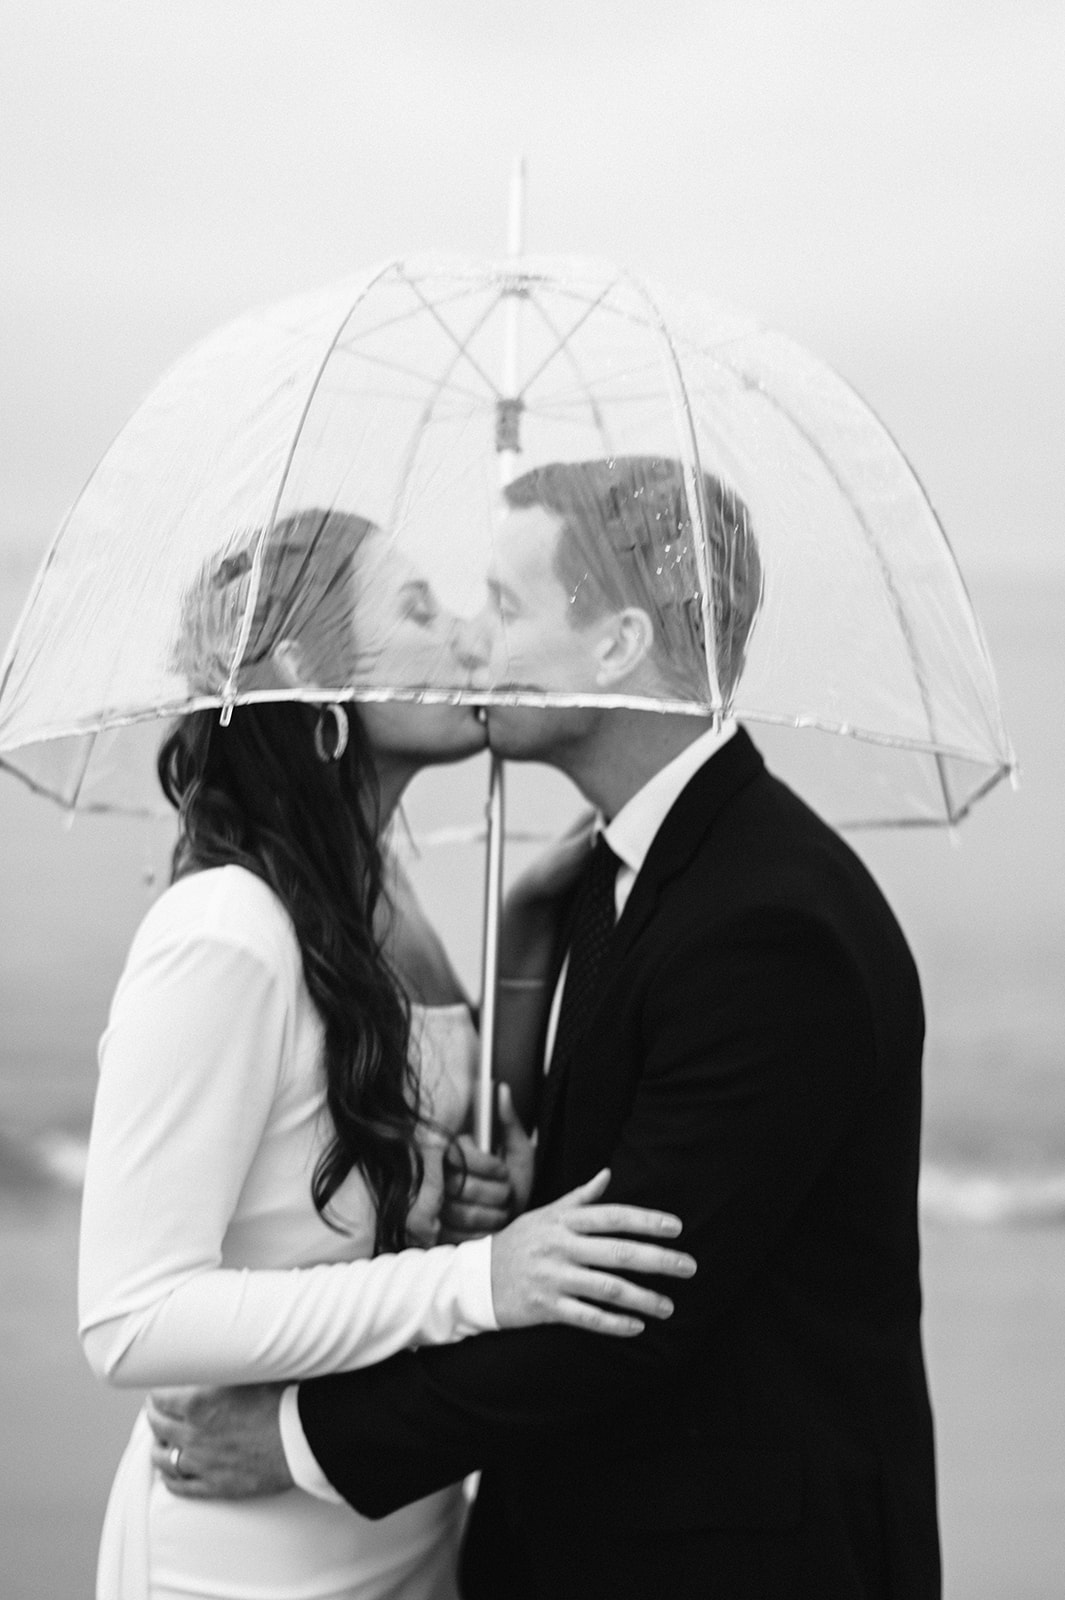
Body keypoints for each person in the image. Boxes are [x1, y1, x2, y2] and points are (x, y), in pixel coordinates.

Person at [149, 464, 941, 1599]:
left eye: (504, 604)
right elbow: (600, 1212)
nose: (475, 641)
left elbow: (623, 1306)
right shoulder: (617, 876)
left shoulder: (771, 921)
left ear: (618, 645)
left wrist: (300, 1441)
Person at [77, 504, 698, 1600]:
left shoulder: (381, 906)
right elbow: (133, 1317)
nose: (473, 636)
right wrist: (477, 1277)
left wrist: (443, 1191)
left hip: (403, 1524)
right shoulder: (225, 930)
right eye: (421, 609)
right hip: (250, 1556)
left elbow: (344, 1202)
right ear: (315, 688)